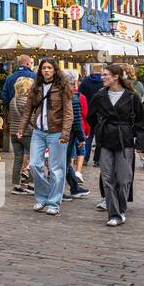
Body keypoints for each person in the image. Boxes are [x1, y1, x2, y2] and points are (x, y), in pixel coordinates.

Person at [88, 62, 144, 227]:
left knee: (123, 178)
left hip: (124, 140)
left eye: (105, 75)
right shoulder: (100, 96)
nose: (102, 77)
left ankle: (121, 208)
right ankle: (113, 213)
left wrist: (140, 143)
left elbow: (141, 121)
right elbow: (90, 116)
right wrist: (101, 127)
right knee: (107, 177)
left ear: (116, 77)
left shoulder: (131, 96)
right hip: (106, 139)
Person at [21, 58, 74, 215]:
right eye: (44, 68)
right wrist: (22, 128)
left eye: (49, 67)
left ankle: (53, 203)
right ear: (40, 70)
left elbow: (68, 113)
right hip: (39, 131)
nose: (46, 70)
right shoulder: (36, 87)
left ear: (54, 70)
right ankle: (42, 197)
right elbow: (28, 109)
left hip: (56, 132)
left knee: (57, 169)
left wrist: (65, 133)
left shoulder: (63, 87)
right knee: (35, 165)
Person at [63, 70, 91, 198]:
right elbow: (77, 120)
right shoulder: (75, 98)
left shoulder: (56, 95)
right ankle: (66, 190)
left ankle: (74, 188)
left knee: (63, 163)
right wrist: (82, 138)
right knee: (64, 163)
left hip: (57, 133)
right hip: (68, 135)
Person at [8, 76, 35, 195]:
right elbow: (31, 119)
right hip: (26, 133)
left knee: (18, 159)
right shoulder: (26, 101)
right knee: (34, 158)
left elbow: (11, 118)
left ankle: (16, 185)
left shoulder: (13, 100)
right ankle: (31, 184)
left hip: (14, 133)